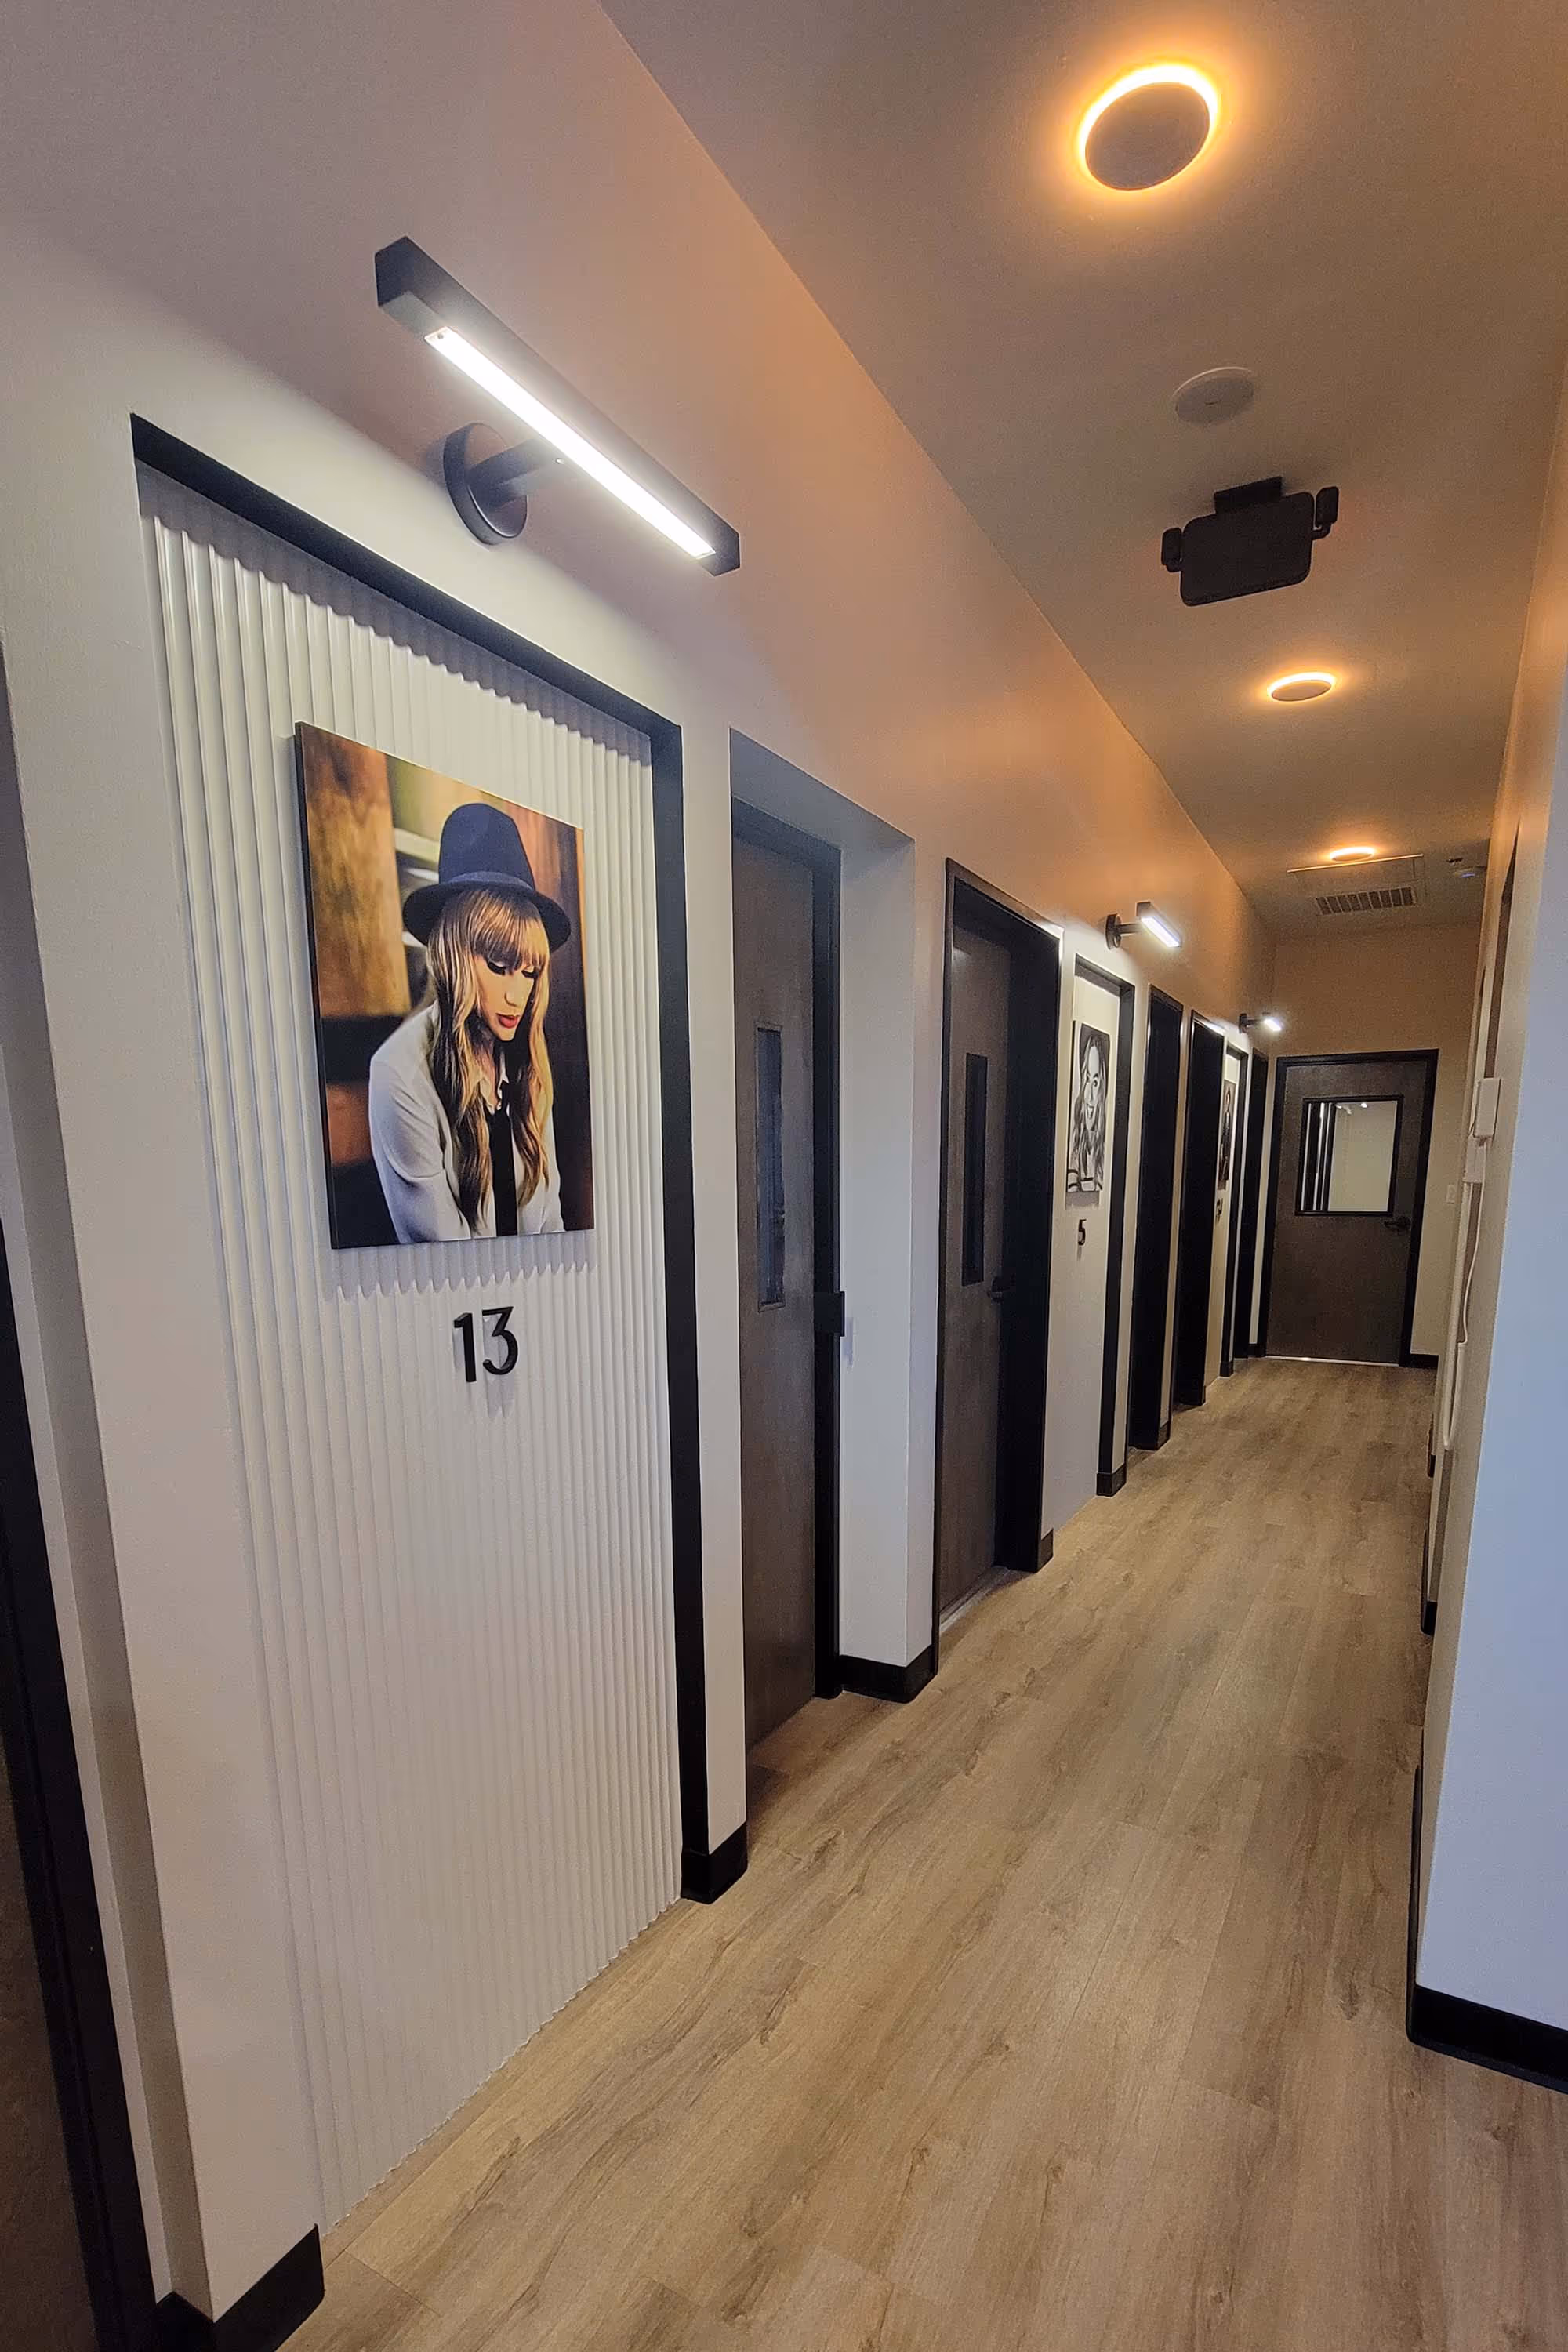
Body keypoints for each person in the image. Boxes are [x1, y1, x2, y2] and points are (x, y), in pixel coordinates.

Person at [368, 800, 572, 1242]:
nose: (517, 995)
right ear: (453, 957)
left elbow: (550, 1222)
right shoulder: (399, 1073)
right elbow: (443, 1251)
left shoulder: (528, 1064)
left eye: (529, 973)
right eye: (498, 967)